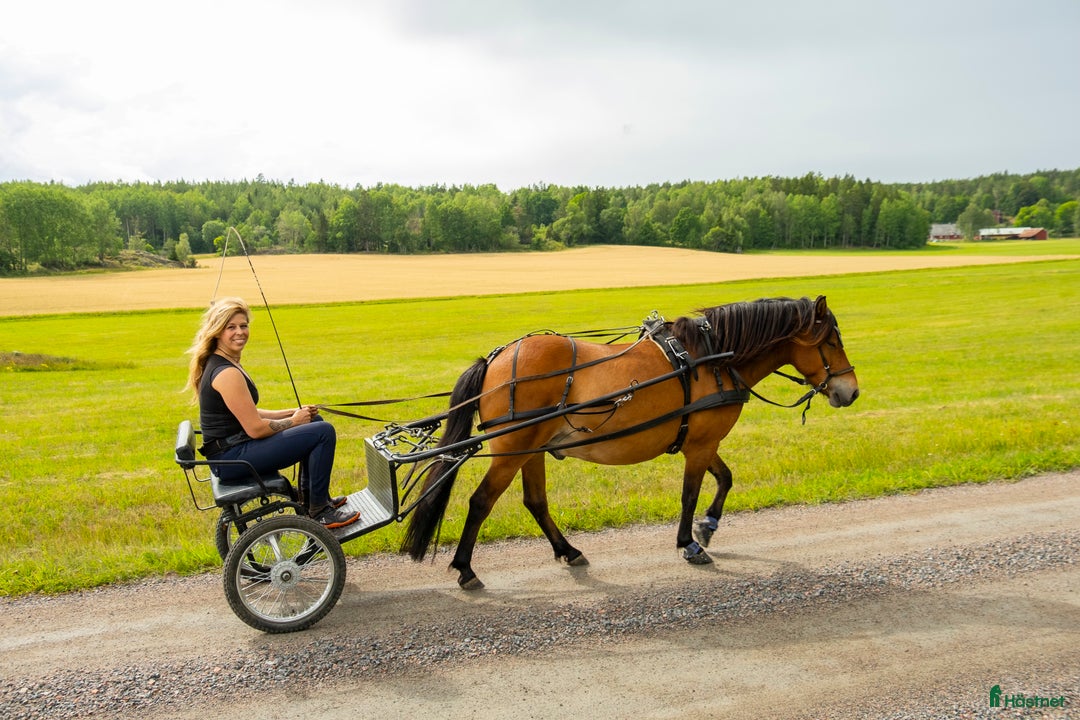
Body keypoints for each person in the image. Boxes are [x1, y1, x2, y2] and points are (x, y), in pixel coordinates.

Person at [185, 297, 360, 529]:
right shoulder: (226, 373)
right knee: (323, 432)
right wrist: (293, 421)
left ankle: (313, 498)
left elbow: (248, 411)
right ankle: (319, 511)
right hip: (234, 458)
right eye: (231, 327)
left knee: (314, 420)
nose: (240, 332)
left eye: (243, 325)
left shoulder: (223, 362)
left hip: (230, 453)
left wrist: (293, 413)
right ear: (217, 331)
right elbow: (256, 429)